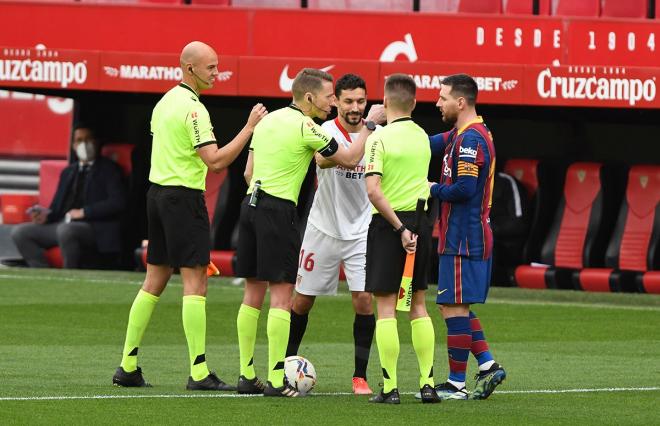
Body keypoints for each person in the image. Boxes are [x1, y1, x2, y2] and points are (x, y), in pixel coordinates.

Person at [112, 41, 267, 391]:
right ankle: (198, 372)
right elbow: (215, 161)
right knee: (196, 281)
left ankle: (128, 365)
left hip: (157, 196)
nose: (217, 72)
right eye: (211, 67)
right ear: (190, 68)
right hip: (182, 199)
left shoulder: (164, 103)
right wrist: (249, 127)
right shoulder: (195, 110)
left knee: (154, 280)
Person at [235, 68, 386, 397]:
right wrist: (372, 126)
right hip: (281, 213)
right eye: (330, 97)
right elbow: (346, 157)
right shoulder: (309, 126)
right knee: (283, 298)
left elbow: (248, 172)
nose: (332, 103)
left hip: (251, 206)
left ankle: (247, 373)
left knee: (252, 295)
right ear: (308, 97)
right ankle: (277, 379)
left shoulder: (269, 121)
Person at [285, 74, 376, 395]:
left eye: (361, 101)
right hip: (322, 228)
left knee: (364, 301)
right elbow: (324, 160)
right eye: (348, 100)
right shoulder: (323, 130)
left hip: (361, 231)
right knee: (302, 301)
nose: (355, 107)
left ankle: (359, 376)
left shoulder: (378, 135)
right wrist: (368, 131)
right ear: (335, 100)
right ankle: (285, 367)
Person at [429, 73, 506, 400]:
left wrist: (431, 188)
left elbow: (465, 189)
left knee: (453, 307)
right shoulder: (460, 134)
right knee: (450, 306)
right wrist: (384, 131)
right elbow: (423, 143)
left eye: (443, 97)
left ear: (460, 102)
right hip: (457, 236)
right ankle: (487, 365)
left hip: (465, 237)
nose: (437, 102)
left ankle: (456, 384)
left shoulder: (471, 140)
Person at [364, 73, 440, 404]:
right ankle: (427, 384)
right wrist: (415, 229)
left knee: (385, 307)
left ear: (385, 101)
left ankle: (390, 387)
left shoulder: (378, 139)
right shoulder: (423, 137)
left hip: (389, 225)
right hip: (421, 224)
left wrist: (398, 228)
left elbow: (373, 190)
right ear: (414, 102)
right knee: (418, 304)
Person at [11, 124, 126, 269]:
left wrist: (84, 212)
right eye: (79, 140)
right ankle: (42, 272)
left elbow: (118, 202)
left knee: (66, 230)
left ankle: (69, 274)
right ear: (73, 145)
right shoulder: (68, 172)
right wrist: (45, 216)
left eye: (88, 139)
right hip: (62, 224)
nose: (84, 144)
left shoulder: (110, 169)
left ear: (96, 142)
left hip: (93, 227)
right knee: (21, 232)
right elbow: (56, 207)